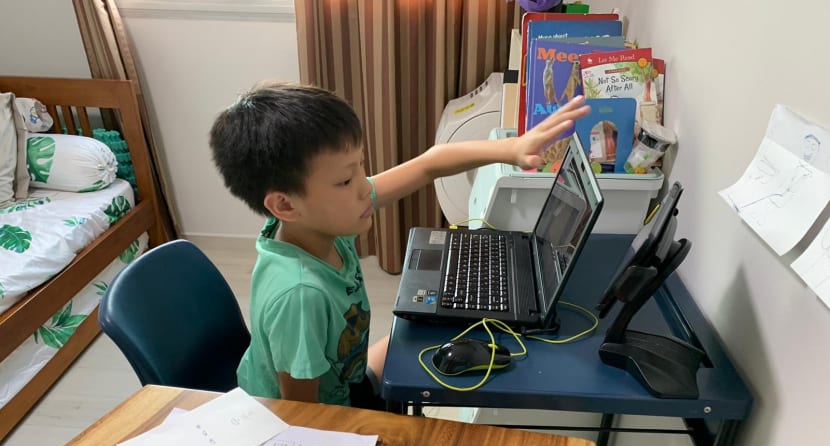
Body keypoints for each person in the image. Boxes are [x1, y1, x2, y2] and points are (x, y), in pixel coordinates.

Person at [209, 80, 589, 409]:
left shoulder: (312, 223)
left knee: (432, 333)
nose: (364, 188)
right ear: (285, 204)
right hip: (312, 417)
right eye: (345, 180)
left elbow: (428, 165)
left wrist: (511, 149)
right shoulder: (300, 295)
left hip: (343, 382)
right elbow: (303, 418)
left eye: (360, 166)